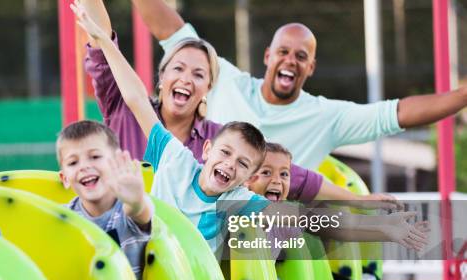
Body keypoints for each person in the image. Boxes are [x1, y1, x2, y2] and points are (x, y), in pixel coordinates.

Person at [70, 1, 428, 259]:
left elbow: (317, 220)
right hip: (139, 255)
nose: (230, 165)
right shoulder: (175, 159)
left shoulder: (238, 201)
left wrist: (384, 228)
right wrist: (101, 39)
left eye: (243, 165)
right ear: (207, 150)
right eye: (226, 155)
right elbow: (133, 96)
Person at [81, 0, 396, 206]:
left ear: (208, 88)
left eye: (198, 74)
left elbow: (293, 175)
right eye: (178, 69)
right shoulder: (131, 110)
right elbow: (101, 42)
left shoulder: (221, 143)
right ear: (162, 77)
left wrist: (359, 201)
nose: (186, 79)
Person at [131, 0, 467, 170]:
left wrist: (463, 94)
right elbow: (170, 31)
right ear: (267, 56)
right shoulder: (224, 79)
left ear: (311, 67)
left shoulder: (325, 117)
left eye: (301, 55)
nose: (290, 60)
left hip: (260, 239)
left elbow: (398, 113)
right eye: (283, 52)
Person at [245, 142, 430, 257]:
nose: (277, 180)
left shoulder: (283, 223)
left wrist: (386, 232)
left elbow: (337, 229)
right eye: (266, 172)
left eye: (284, 174)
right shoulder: (242, 203)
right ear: (246, 179)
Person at [56, 120, 153, 280]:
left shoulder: (127, 208)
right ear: (64, 178)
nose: (84, 166)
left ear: (116, 162)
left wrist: (136, 201)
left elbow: (139, 213)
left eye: (94, 156)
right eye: (73, 162)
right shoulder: (62, 218)